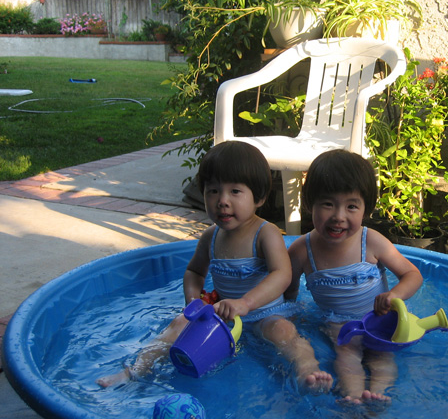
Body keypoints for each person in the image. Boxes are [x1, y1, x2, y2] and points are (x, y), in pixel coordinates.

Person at [97, 141, 332, 393]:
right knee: (178, 325)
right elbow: (194, 272)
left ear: (259, 197)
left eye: (235, 192)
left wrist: (246, 303)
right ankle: (136, 369)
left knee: (285, 331)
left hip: (266, 314)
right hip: (223, 319)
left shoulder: (266, 233)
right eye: (213, 191)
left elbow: (282, 274)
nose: (222, 201)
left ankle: (307, 372)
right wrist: (192, 301)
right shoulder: (211, 237)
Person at [285, 149, 424, 405]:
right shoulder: (302, 251)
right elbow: (289, 293)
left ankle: (379, 394)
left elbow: (412, 274)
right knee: (346, 357)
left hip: (380, 321)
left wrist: (394, 295)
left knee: (382, 358)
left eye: (351, 206)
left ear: (365, 209)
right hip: (340, 325)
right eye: (328, 204)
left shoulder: (370, 241)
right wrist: (294, 321)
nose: (339, 216)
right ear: (309, 204)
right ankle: (354, 396)